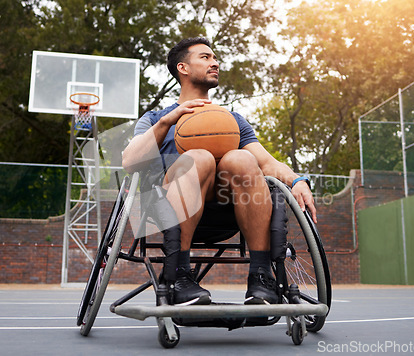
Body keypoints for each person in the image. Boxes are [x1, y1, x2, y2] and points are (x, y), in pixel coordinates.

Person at [122, 37, 316, 306]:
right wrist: (168, 121)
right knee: (198, 158)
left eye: (215, 58)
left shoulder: (232, 121)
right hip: (168, 214)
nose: (215, 62)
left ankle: (261, 277)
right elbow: (130, 161)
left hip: (228, 214)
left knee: (242, 158)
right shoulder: (156, 119)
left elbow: (267, 162)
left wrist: (297, 179)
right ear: (183, 68)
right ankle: (179, 275)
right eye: (205, 57)